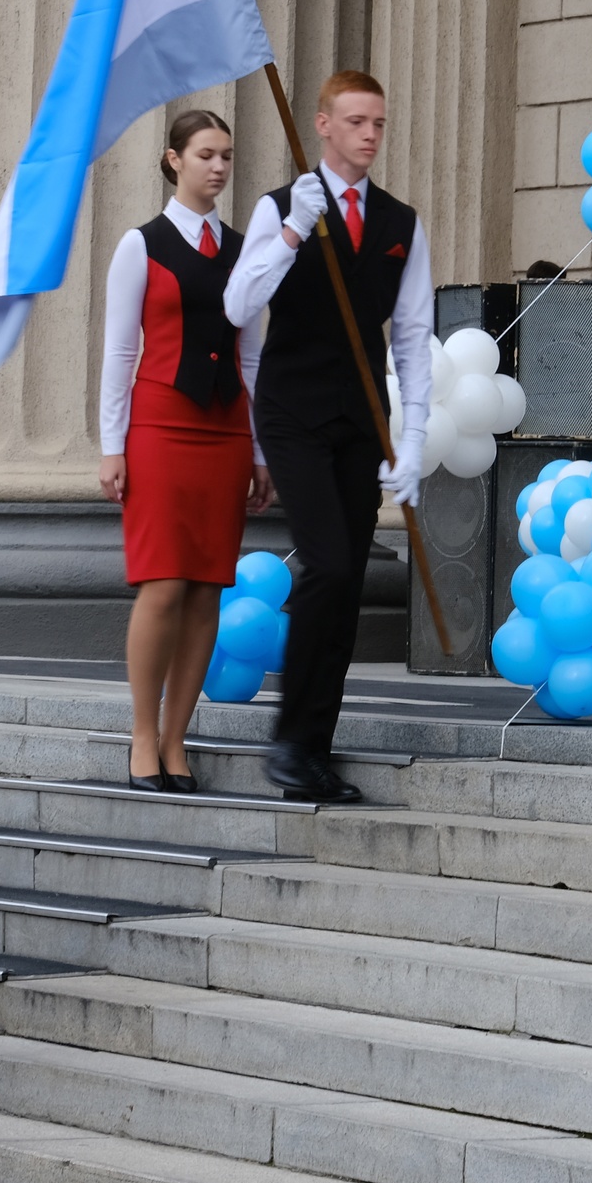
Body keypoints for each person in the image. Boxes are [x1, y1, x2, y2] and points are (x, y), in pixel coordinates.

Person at [223, 71, 432, 804]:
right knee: (330, 565)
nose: (370, 134)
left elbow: (410, 336)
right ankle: (288, 738)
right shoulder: (281, 206)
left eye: (378, 121)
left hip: (361, 417)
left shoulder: (401, 222)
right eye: (355, 121)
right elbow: (238, 302)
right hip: (291, 411)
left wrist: (413, 441)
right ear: (322, 124)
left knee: (344, 589)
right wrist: (287, 233)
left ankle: (313, 746)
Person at [97, 111, 270, 792]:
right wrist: (113, 445)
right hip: (160, 425)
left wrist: (259, 452)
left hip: (227, 429)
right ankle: (143, 733)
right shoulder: (139, 246)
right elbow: (118, 351)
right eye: (206, 154)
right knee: (164, 583)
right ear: (174, 160)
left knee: (206, 591)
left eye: (227, 155)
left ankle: (176, 739)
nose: (219, 167)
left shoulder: (244, 249)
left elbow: (252, 354)